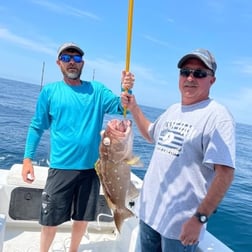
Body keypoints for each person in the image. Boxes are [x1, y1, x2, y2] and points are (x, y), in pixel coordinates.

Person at [22, 42, 135, 252]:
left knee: (82, 218)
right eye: (66, 58)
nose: (71, 62)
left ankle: (73, 250)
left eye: (76, 58)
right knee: (50, 220)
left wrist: (125, 87)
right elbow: (37, 126)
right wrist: (28, 159)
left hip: (91, 169)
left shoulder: (97, 91)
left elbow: (122, 105)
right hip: (60, 168)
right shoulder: (50, 92)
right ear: (59, 63)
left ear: (82, 63)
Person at [121, 48, 235, 252]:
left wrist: (199, 219)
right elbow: (150, 134)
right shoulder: (173, 109)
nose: (190, 77)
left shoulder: (218, 116)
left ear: (212, 80)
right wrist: (134, 107)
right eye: (185, 71)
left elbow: (225, 173)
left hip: (179, 227)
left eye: (199, 73)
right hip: (149, 213)